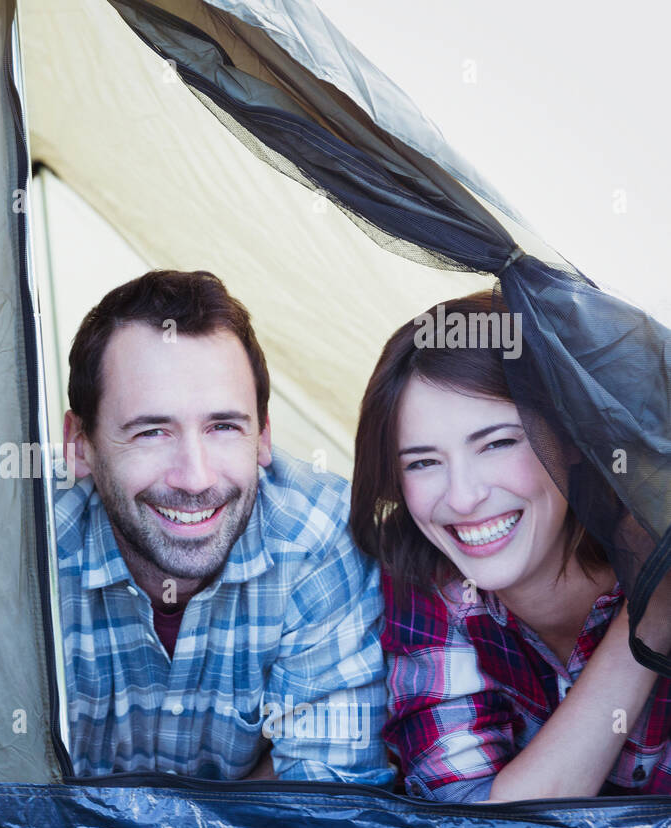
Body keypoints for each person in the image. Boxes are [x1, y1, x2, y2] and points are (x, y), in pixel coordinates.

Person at [56, 269, 393, 785]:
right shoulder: (21, 553)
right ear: (80, 444)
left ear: (263, 437)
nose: (195, 478)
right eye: (151, 431)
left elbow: (327, 796)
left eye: (223, 427)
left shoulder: (317, 537)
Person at [349, 289, 671, 801]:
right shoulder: (425, 577)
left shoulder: (658, 532)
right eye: (422, 462)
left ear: (570, 440)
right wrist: (649, 619)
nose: (463, 496)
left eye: (498, 443)